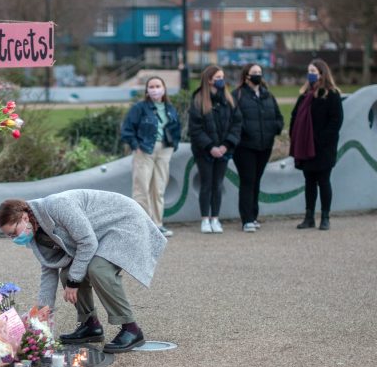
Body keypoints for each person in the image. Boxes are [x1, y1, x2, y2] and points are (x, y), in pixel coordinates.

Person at [0, 189, 167, 353]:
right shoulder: (36, 235)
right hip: (98, 234)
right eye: (9, 236)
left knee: (98, 269)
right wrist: (43, 313)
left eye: (13, 233)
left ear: (24, 217)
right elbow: (49, 270)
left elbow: (87, 242)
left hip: (124, 220)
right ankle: (90, 325)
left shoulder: (57, 206)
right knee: (67, 274)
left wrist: (74, 282)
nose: (14, 238)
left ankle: (131, 329)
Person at [121, 76, 182, 237]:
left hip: (164, 150)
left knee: (159, 188)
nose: (155, 89)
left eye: (158, 86)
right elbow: (127, 129)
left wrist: (173, 146)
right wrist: (135, 146)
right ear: (147, 90)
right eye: (151, 87)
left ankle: (157, 224)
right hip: (144, 150)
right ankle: (143, 224)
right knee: (141, 188)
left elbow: (177, 128)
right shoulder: (140, 108)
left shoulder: (169, 108)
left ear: (164, 88)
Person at [289, 58, 343, 230]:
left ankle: (325, 217)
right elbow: (295, 116)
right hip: (306, 146)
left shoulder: (332, 95)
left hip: (323, 147)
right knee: (309, 182)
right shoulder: (305, 95)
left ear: (322, 73)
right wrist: (295, 136)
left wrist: (320, 140)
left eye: (313, 71)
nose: (310, 74)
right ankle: (309, 217)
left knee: (324, 181)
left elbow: (336, 121)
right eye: (309, 71)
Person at [188, 65, 242, 234]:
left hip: (224, 151)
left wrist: (226, 145)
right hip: (204, 152)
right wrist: (210, 147)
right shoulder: (198, 100)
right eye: (218, 77)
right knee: (206, 184)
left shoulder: (229, 100)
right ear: (209, 80)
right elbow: (195, 129)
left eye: (222, 77)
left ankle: (215, 219)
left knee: (218, 184)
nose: (222, 80)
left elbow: (237, 123)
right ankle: (205, 219)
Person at [231, 64, 284, 232]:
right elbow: (234, 119)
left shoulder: (268, 95)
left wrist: (275, 128)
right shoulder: (237, 95)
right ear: (246, 76)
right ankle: (246, 219)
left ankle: (253, 216)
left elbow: (278, 117)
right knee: (247, 180)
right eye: (254, 73)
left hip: (264, 145)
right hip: (244, 146)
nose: (258, 75)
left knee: (256, 181)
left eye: (260, 73)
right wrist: (245, 132)